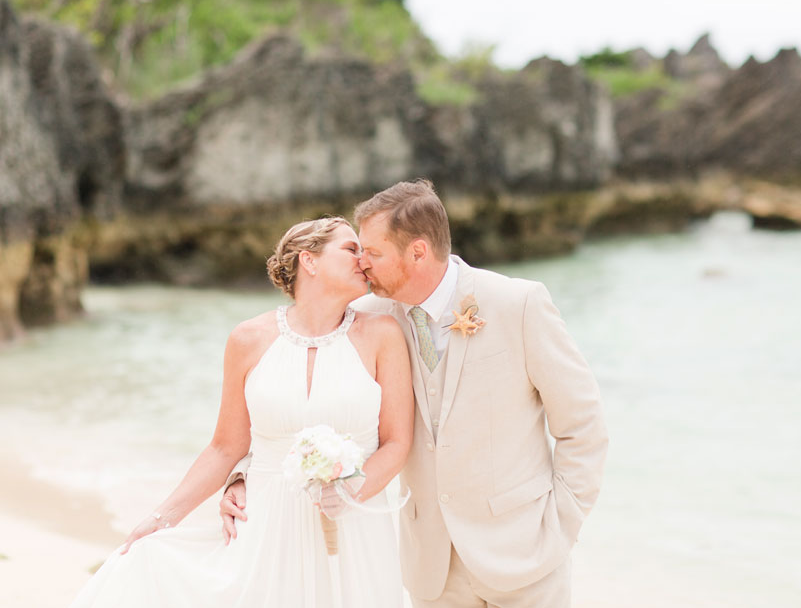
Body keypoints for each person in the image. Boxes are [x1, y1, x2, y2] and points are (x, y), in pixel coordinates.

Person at [221, 180, 608, 607]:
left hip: (526, 559)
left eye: (374, 252)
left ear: (418, 252)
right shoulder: (369, 320)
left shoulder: (518, 304)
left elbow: (583, 425)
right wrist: (244, 474)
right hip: (430, 570)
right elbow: (300, 401)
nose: (362, 264)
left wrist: (560, 527)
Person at [70, 217, 414, 608]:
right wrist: (162, 517)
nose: (364, 260)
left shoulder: (383, 334)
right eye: (351, 249)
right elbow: (224, 448)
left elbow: (398, 441)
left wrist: (353, 489)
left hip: (356, 524)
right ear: (309, 261)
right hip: (266, 527)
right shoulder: (248, 339)